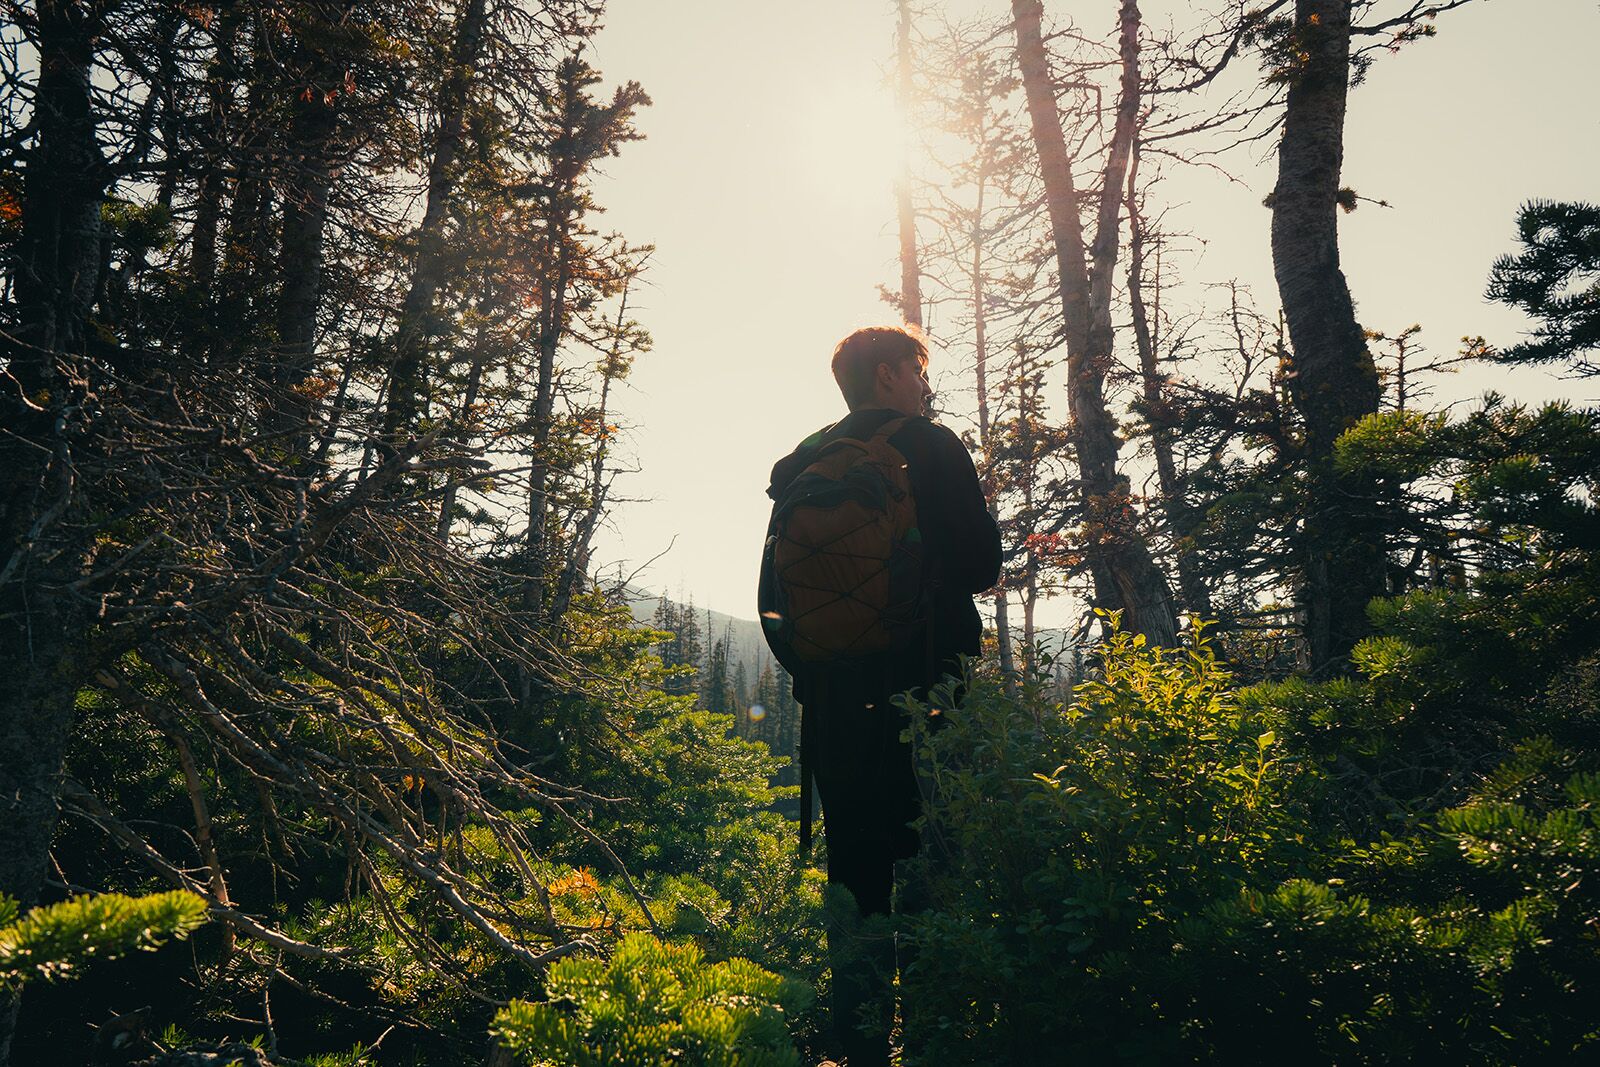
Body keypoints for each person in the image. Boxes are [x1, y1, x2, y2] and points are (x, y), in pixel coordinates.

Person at [759, 325, 1001, 1066]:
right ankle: (932, 1038)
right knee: (933, 858)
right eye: (919, 370)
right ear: (891, 375)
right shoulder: (932, 446)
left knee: (856, 870)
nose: (926, 384)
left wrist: (827, 670)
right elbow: (981, 564)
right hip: (929, 694)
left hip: (836, 706)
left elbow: (774, 600)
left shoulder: (803, 461)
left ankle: (861, 1042)